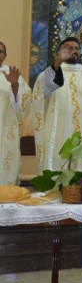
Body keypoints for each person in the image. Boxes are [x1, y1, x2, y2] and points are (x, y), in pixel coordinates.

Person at [32, 36, 82, 173]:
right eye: (69, 48)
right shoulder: (54, 73)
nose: (74, 51)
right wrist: (59, 61)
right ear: (60, 51)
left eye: (77, 48)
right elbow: (42, 90)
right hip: (58, 130)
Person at [0, 41, 30, 185]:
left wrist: (15, 85)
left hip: (5, 130)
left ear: (5, 55)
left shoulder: (10, 75)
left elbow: (23, 105)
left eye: (0, 51)